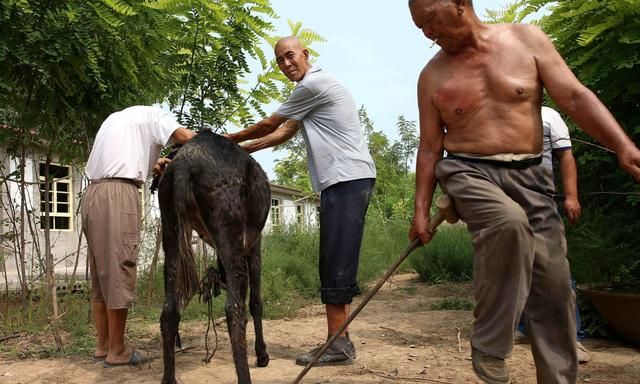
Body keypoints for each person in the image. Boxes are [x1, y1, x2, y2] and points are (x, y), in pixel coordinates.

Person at [407, 1, 640, 383]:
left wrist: (622, 145)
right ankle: (490, 343)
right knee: (507, 223)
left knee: (554, 289)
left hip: (531, 176)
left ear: (460, 4)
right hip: (470, 171)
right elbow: (431, 148)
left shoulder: (525, 39)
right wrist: (420, 210)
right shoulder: (431, 76)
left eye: (431, 20)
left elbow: (575, 97)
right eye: (420, 27)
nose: (428, 33)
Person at [225, 36, 376, 366]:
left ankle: (337, 345)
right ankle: (341, 340)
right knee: (338, 258)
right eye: (279, 60)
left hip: (346, 179)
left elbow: (270, 123)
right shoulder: (312, 91)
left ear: (306, 54)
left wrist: (228, 139)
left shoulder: (313, 85)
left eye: (290, 56)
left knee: (334, 261)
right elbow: (285, 131)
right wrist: (243, 150)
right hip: (348, 179)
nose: (286, 63)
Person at [82, 106, 195, 367]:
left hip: (93, 194)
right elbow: (186, 137)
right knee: (120, 269)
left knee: (102, 274)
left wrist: (153, 163)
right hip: (118, 193)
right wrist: (223, 141)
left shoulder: (116, 118)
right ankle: (118, 351)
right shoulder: (157, 116)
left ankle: (103, 346)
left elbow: (120, 156)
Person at [513, 106, 589, 364]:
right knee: (515, 265)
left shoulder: (548, 115)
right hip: (506, 203)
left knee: (555, 268)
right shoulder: (493, 114)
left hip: (541, 201)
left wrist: (571, 196)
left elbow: (565, 156)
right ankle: (524, 329)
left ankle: (572, 337)